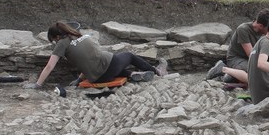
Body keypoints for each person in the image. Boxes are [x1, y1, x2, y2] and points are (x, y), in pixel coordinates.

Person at [24, 21, 167, 89]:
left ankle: (132, 74)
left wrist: (37, 84)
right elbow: (89, 59)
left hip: (99, 77)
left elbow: (84, 63)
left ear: (55, 37)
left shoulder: (61, 44)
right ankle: (158, 71)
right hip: (109, 66)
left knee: (114, 66)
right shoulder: (84, 36)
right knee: (129, 55)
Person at [206, 9, 269, 85]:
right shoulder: (243, 30)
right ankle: (223, 69)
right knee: (258, 79)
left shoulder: (264, 31)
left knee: (267, 71)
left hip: (248, 60)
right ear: (261, 26)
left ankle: (232, 76)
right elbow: (251, 55)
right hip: (236, 59)